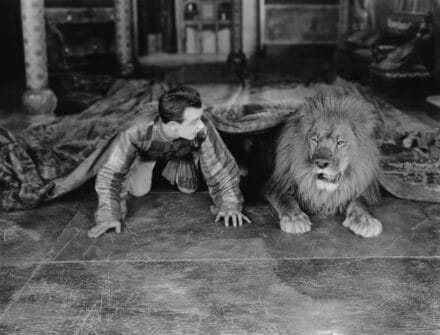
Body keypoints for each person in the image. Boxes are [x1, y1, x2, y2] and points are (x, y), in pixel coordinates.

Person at [88, 86, 250, 238]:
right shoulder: (135, 130)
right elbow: (111, 174)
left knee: (188, 189)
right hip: (147, 153)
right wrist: (109, 215)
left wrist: (230, 204)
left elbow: (221, 166)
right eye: (193, 121)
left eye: (199, 117)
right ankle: (146, 163)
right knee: (139, 191)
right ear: (173, 126)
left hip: (183, 149)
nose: (200, 124)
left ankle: (182, 159)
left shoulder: (202, 127)